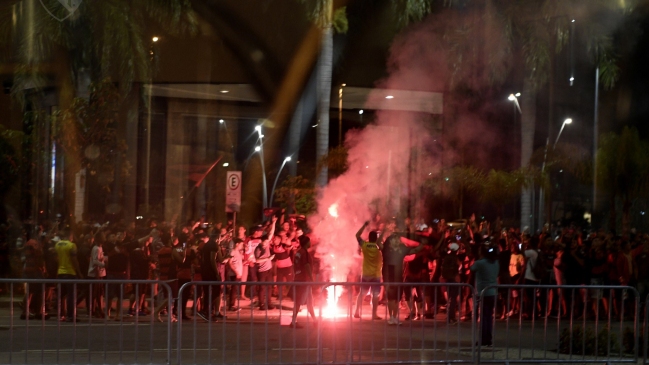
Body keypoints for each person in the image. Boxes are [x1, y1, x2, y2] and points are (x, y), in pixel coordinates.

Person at [382, 220, 424, 325]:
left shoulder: (394, 248)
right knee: (393, 298)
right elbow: (415, 250)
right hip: (393, 275)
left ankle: (393, 317)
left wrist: (421, 245)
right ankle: (392, 317)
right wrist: (421, 244)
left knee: (395, 298)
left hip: (395, 275)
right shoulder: (396, 249)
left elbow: (415, 250)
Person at [470, 243, 499, 347]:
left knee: (483, 317)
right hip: (493, 292)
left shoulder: (479, 263)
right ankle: (489, 338)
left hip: (483, 292)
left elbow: (471, 269)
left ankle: (483, 339)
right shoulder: (496, 263)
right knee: (489, 317)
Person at [353, 221, 384, 320]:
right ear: (376, 238)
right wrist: (383, 231)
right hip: (376, 274)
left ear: (369, 238)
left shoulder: (365, 246)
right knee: (375, 295)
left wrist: (364, 225)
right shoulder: (379, 247)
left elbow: (357, 235)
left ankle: (357, 312)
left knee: (362, 293)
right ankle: (374, 314)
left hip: (366, 274)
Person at [53, 227, 82, 322]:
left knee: (61, 295)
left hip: (60, 272)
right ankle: (70, 315)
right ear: (70, 235)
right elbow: (75, 260)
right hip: (70, 273)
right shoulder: (72, 245)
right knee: (71, 295)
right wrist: (79, 272)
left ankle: (61, 314)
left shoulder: (57, 245)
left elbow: (56, 259)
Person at [290, 235, 316, 328]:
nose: (310, 243)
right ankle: (293, 321)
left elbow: (294, 265)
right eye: (309, 242)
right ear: (306, 243)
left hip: (299, 278)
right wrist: (311, 277)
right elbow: (306, 265)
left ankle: (315, 320)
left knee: (309, 301)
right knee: (298, 301)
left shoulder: (298, 252)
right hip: (304, 280)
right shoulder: (304, 253)